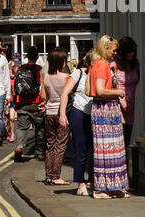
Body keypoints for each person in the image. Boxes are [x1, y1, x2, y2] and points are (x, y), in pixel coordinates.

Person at [90, 35, 129, 198]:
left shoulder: (101, 65)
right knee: (107, 149)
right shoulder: (101, 65)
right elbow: (100, 90)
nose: (115, 54)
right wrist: (119, 93)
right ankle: (102, 189)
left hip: (106, 109)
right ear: (105, 49)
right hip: (104, 110)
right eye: (113, 50)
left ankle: (112, 187)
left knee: (110, 149)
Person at [60, 50, 94, 195]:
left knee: (94, 150)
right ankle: (81, 183)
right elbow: (65, 93)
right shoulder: (79, 73)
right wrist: (62, 115)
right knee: (81, 149)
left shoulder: (98, 74)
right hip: (78, 112)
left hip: (94, 114)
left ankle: (92, 182)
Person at [42, 49, 71, 186]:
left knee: (50, 145)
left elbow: (43, 96)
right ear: (62, 62)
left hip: (49, 112)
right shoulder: (66, 77)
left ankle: (48, 176)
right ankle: (56, 176)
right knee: (60, 145)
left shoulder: (46, 77)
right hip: (61, 114)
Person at [12, 46, 45, 162]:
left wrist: (15, 101)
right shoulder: (38, 69)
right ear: (37, 57)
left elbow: (14, 87)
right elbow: (42, 86)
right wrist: (43, 101)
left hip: (21, 103)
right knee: (40, 128)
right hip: (35, 102)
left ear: (27, 57)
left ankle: (20, 147)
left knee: (22, 128)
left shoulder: (20, 68)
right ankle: (40, 153)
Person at [116, 36, 140, 185]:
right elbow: (113, 85)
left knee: (126, 142)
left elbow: (137, 81)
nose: (132, 54)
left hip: (131, 109)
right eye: (129, 52)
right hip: (118, 107)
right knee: (119, 145)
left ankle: (125, 180)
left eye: (133, 51)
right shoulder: (114, 65)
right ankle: (121, 179)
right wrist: (122, 100)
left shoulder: (136, 64)